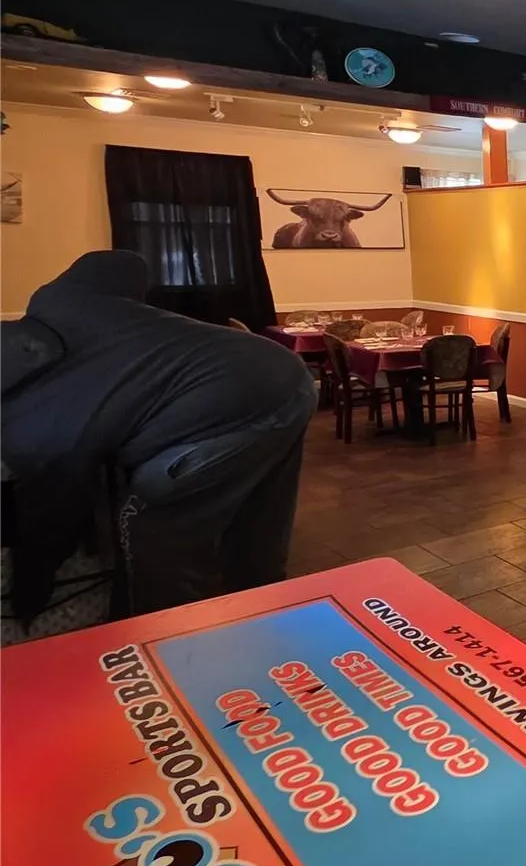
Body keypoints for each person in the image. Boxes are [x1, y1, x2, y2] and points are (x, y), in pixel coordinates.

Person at [1, 250, 318, 617]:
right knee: (261, 517)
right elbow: (126, 263)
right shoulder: (71, 312)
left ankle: (166, 644)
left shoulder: (28, 416)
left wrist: (32, 583)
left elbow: (53, 500)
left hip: (231, 398)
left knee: (151, 528)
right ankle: (268, 616)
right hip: (286, 372)